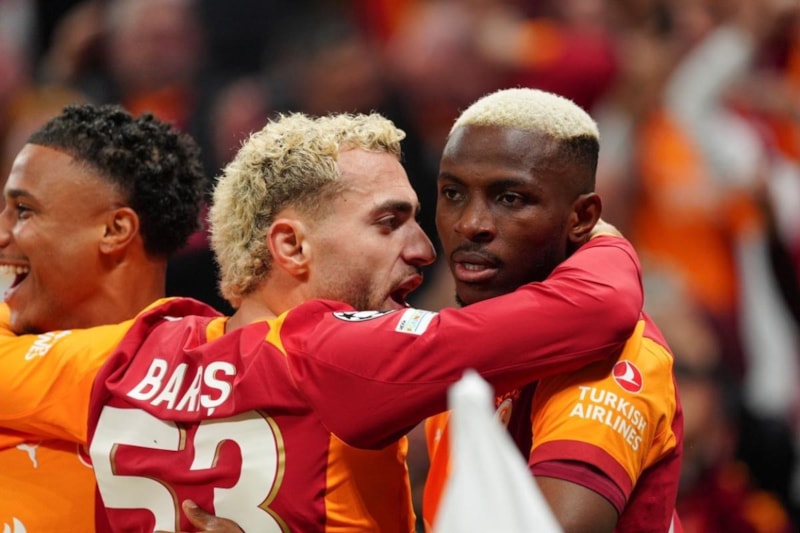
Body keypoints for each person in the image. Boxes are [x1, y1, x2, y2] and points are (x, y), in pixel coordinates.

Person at [0, 111, 643, 531]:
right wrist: (594, 233)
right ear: (291, 246)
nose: (426, 249)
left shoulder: (121, 357)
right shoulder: (337, 354)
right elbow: (601, 306)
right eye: (389, 222)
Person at [422, 88, 683, 532]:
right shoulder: (469, 341)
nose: (470, 224)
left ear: (581, 218)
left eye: (510, 198)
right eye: (452, 193)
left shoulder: (617, 359)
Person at [0, 103, 207, 532]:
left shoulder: (215, 374)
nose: (2, 233)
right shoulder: (205, 372)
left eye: (23, 211)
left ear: (115, 230)